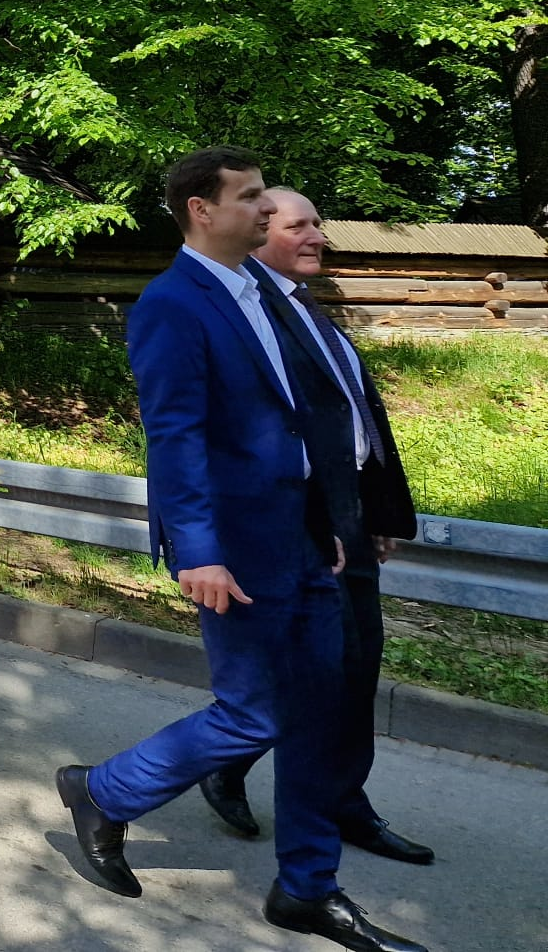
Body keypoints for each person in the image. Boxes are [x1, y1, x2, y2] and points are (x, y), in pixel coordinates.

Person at [55, 148, 427, 952]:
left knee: (321, 710)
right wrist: (197, 549)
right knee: (255, 711)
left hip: (308, 536)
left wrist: (338, 516)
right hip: (234, 544)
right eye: (252, 196)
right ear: (202, 209)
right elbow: (176, 435)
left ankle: (307, 889)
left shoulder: (264, 292)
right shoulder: (173, 304)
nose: (267, 209)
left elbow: (316, 415)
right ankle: (104, 791)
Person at [197, 189, 429, 866]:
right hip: (293, 522)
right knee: (307, 670)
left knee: (357, 668)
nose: (319, 236)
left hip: (344, 513)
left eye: (318, 225)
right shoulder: (247, 312)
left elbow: (351, 419)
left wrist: (371, 512)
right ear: (258, 231)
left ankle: (340, 800)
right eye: (301, 226)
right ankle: (219, 765)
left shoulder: (305, 307)